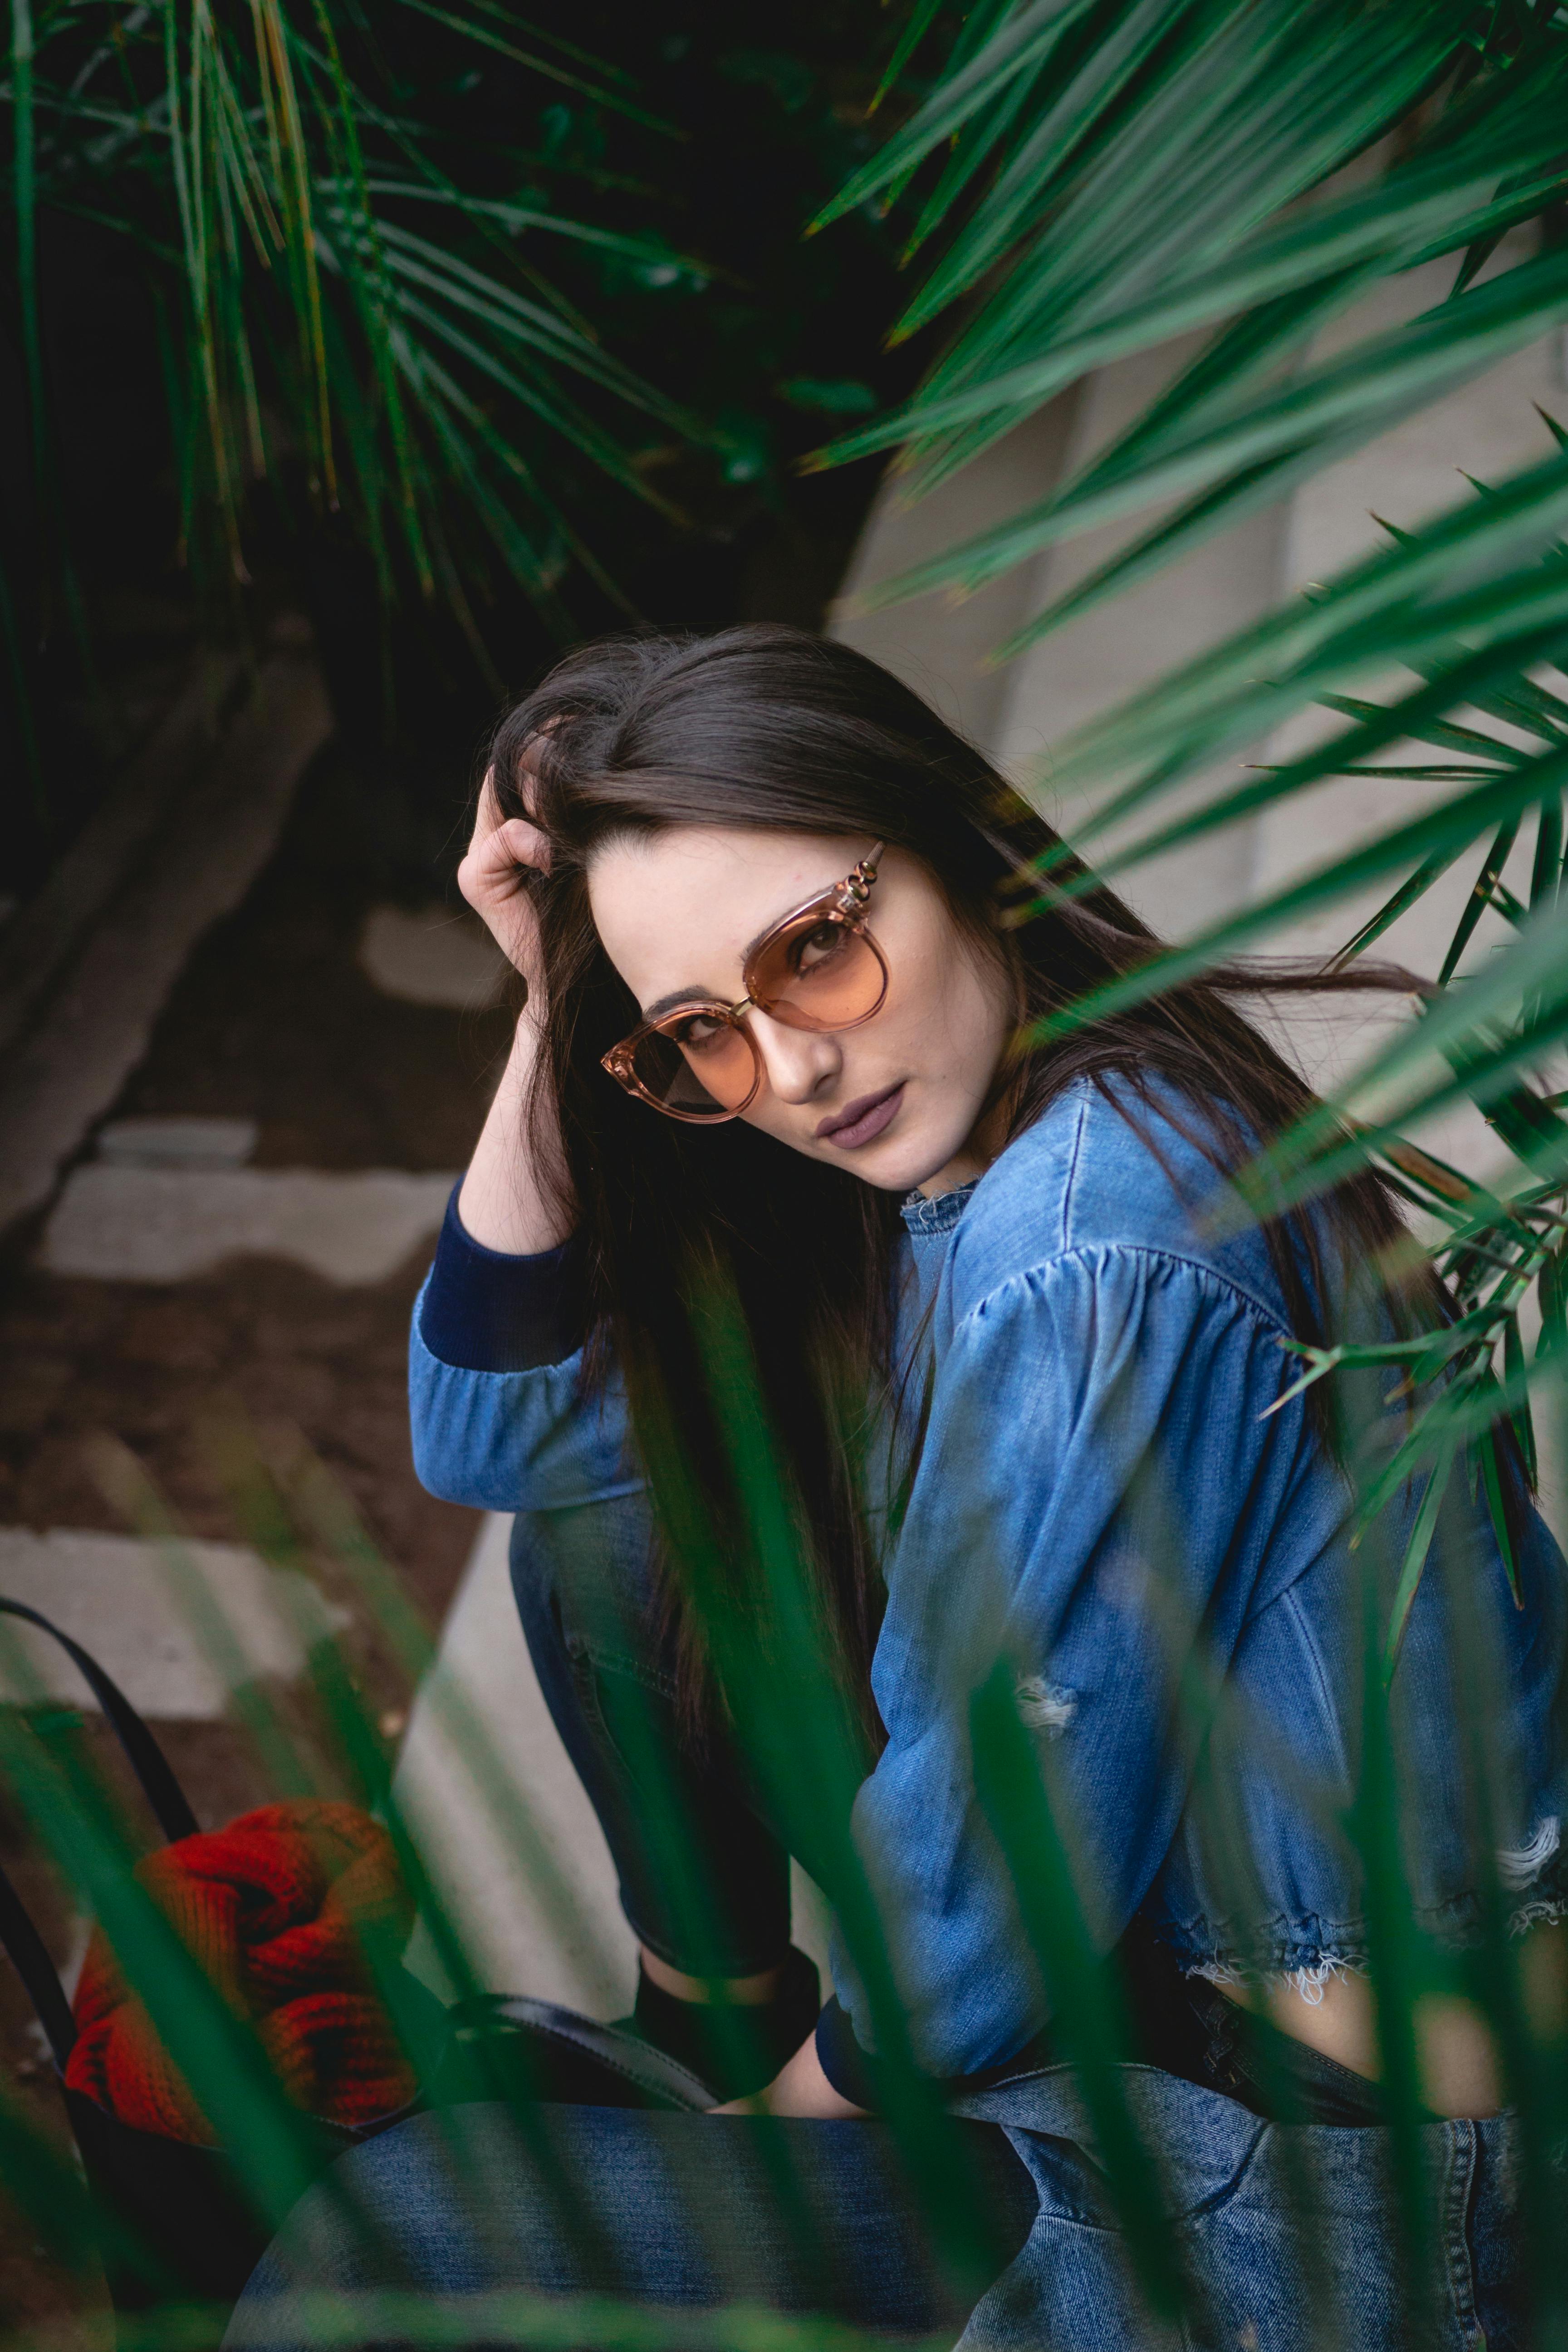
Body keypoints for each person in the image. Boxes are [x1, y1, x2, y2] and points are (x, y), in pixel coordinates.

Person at [230, 626, 1564, 2348]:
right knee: (618, 1534)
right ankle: (709, 2018)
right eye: (699, 1029)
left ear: (953, 847)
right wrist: (564, 986)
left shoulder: (1084, 1243)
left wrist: (765, 2140)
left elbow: (979, 1901)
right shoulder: (995, 1133)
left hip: (1334, 2188)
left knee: (396, 2239)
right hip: (1191, 1990)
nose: (790, 1072)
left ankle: (723, 2090)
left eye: (815, 950)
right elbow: (501, 1438)